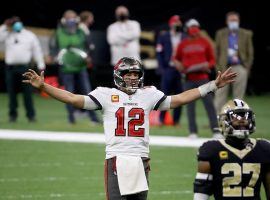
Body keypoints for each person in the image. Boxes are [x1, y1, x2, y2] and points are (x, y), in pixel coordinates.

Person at [23, 57, 235, 200]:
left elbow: (179, 99)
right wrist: (44, 86)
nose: (133, 77)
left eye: (136, 73)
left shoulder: (148, 94)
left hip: (141, 159)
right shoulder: (105, 95)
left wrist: (212, 85)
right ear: (119, 76)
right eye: (128, 74)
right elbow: (72, 99)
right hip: (116, 158)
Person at [193, 99, 270, 200]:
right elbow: (201, 194)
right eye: (235, 117)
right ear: (223, 121)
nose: (242, 119)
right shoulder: (211, 150)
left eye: (245, 116)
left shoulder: (264, 149)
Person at [49, 10, 99, 124]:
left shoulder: (81, 32)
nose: (71, 21)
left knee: (88, 93)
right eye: (68, 18)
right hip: (66, 68)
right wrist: (53, 56)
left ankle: (94, 119)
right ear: (63, 20)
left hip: (81, 68)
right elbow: (53, 48)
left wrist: (88, 57)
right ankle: (71, 119)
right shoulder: (58, 32)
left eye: (73, 18)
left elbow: (89, 47)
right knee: (68, 94)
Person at [174, 19, 221, 138]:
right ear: (187, 29)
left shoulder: (205, 42)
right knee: (189, 106)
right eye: (192, 27)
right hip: (188, 79)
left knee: (209, 105)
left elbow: (212, 59)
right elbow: (176, 58)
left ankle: (215, 131)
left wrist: (208, 65)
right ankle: (193, 132)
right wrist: (178, 65)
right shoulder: (183, 44)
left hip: (203, 78)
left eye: (196, 27)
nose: (194, 29)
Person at [0, 16, 45, 122]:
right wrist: (5, 26)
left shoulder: (29, 35)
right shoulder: (7, 34)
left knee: (27, 94)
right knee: (11, 94)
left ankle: (31, 116)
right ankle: (12, 115)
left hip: (25, 68)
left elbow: (37, 50)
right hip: (10, 68)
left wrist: (41, 64)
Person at [214, 11, 254, 112]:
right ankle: (217, 120)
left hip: (240, 67)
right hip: (224, 67)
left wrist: (246, 68)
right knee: (220, 94)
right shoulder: (220, 33)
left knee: (239, 96)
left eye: (235, 20)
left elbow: (250, 52)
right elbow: (216, 51)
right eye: (231, 20)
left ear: (239, 21)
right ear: (227, 22)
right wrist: (218, 67)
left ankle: (236, 120)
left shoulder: (246, 34)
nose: (233, 22)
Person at [156, 15, 186, 126]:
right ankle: (161, 120)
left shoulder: (184, 37)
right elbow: (159, 52)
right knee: (164, 95)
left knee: (180, 96)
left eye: (179, 23)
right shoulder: (164, 36)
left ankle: (176, 121)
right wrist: (162, 69)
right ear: (171, 24)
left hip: (180, 70)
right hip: (168, 68)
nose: (178, 25)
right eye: (175, 23)